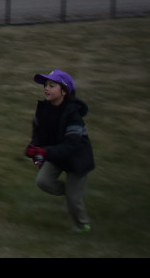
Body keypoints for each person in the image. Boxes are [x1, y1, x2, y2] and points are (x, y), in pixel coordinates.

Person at [25, 70, 95, 232]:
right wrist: (35, 150)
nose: (46, 89)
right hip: (55, 154)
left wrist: (45, 152)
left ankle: (83, 225)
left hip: (77, 159)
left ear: (64, 91)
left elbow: (72, 145)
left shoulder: (73, 115)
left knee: (73, 197)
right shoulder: (43, 109)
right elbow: (38, 134)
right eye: (46, 86)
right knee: (43, 182)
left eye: (52, 85)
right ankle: (74, 194)